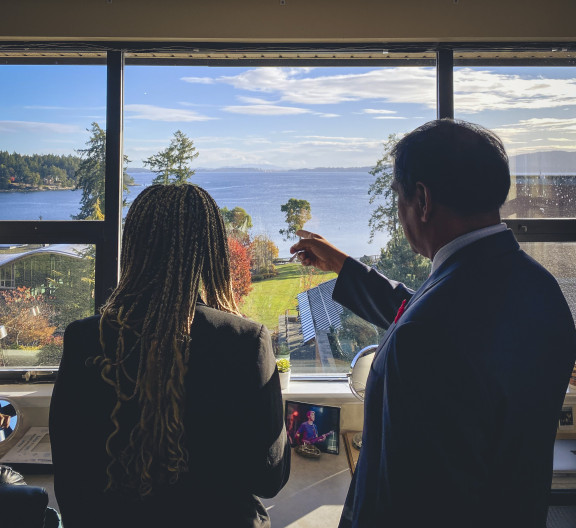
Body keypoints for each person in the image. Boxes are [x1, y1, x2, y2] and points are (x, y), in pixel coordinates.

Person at [290, 119, 576, 528]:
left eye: (398, 198)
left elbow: (410, 501)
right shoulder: (539, 289)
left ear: (422, 200)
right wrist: (344, 266)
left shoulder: (429, 335)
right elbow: (436, 316)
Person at [49, 184, 290, 528]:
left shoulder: (85, 339)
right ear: (211, 251)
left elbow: (71, 481)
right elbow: (269, 479)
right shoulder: (245, 342)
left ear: (133, 247)